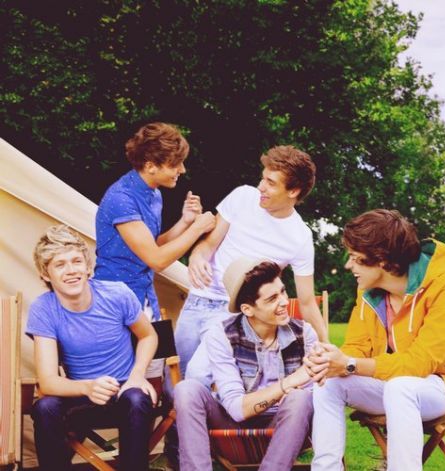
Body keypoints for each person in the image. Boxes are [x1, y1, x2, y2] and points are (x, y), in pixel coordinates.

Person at [306, 209, 445, 471]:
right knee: (329, 384)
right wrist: (332, 361)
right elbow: (357, 347)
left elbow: (419, 363)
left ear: (382, 260)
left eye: (355, 258)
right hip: (399, 386)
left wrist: (349, 364)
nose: (349, 266)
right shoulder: (369, 293)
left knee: (401, 387)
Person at [175, 144, 327, 377]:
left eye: (271, 183)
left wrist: (325, 346)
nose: (261, 187)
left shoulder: (300, 237)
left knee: (197, 374)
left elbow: (306, 302)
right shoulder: (243, 196)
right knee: (176, 379)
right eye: (263, 178)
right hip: (197, 300)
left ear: (293, 191)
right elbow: (208, 244)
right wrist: (196, 256)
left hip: (235, 313)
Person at [174, 258, 328, 471]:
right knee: (186, 389)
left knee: (300, 398)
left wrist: (302, 388)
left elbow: (315, 396)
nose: (284, 302)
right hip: (231, 424)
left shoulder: (304, 333)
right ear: (247, 309)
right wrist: (288, 383)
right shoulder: (222, 335)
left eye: (283, 292)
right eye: (272, 298)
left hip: (286, 425)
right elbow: (236, 410)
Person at [27, 225, 158, 471]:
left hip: (123, 390)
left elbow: (148, 335)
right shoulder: (43, 309)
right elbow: (47, 382)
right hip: (80, 394)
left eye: (76, 261)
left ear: (88, 267)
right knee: (45, 407)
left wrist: (137, 375)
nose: (71, 270)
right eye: (60, 264)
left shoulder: (117, 294)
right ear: (46, 274)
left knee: (137, 398)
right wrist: (88, 387)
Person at [95, 121, 215, 321]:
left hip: (145, 297)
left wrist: (185, 222)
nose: (182, 170)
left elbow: (153, 246)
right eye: (175, 164)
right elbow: (157, 260)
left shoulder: (155, 194)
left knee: (159, 343)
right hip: (114, 304)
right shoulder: (121, 199)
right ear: (150, 166)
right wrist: (197, 228)